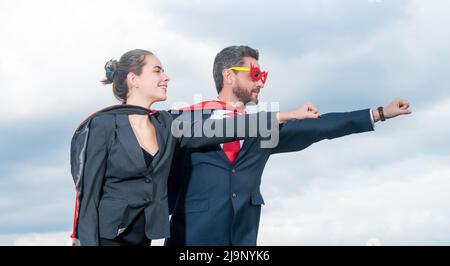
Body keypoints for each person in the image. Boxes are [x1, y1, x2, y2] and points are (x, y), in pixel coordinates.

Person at [166, 45, 412, 246]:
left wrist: (379, 113)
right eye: (255, 75)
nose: (261, 83)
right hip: (189, 242)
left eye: (263, 76)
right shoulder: (188, 119)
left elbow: (320, 127)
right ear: (228, 75)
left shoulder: (264, 130)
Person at [70, 49, 316, 246]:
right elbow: (87, 194)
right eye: (157, 71)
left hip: (144, 236)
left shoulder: (167, 124)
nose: (166, 77)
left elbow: (229, 128)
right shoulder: (102, 124)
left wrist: (287, 115)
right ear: (134, 79)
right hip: (105, 236)